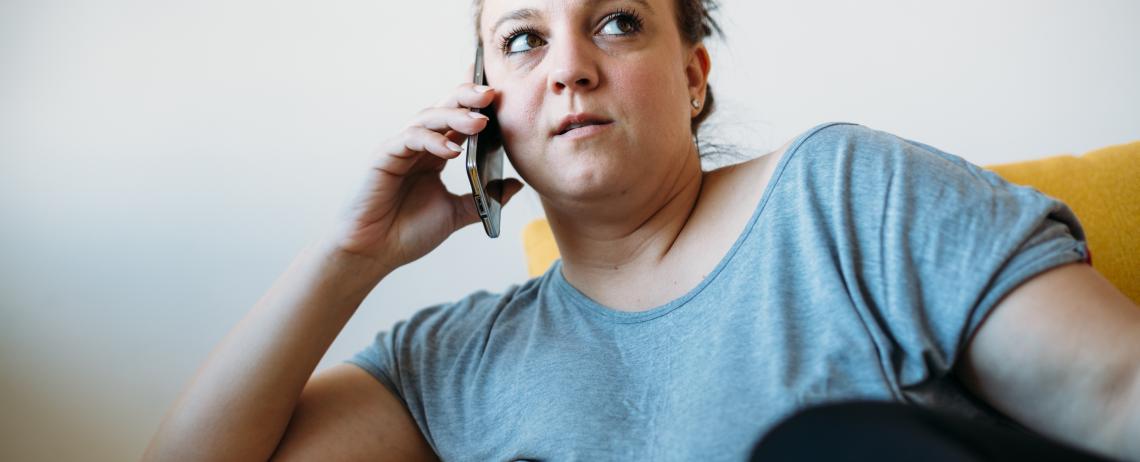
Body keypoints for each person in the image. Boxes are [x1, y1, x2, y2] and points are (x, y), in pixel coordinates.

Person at [143, 0, 1140, 460]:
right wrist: (348, 257)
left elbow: (1115, 389)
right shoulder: (452, 364)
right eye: (524, 39)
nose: (569, 66)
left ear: (693, 74)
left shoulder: (845, 194)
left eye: (616, 22)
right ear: (485, 105)